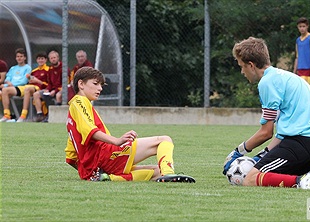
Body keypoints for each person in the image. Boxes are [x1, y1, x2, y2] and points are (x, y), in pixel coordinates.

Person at [223, 37, 310, 189]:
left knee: (250, 179)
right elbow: (281, 135)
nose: (242, 71)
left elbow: (266, 132)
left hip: (304, 142)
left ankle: (303, 181)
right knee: (270, 175)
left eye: (242, 66)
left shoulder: (267, 82)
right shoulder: (283, 77)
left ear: (251, 65)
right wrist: (262, 155)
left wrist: (237, 152)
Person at [65, 66, 195, 183]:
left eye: (101, 85)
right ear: (81, 84)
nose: (100, 88)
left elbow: (71, 156)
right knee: (164, 140)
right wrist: (117, 141)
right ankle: (169, 174)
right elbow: (90, 131)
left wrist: (89, 171)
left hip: (98, 167)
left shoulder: (73, 115)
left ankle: (109, 177)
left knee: (157, 171)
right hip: (107, 155)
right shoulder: (79, 102)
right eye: (95, 84)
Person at [16, 52, 50, 122]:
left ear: (46, 60)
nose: (40, 60)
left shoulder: (48, 70)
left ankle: (23, 115)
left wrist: (37, 81)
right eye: (39, 59)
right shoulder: (34, 71)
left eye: (42, 59)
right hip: (31, 88)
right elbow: (30, 82)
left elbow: (49, 84)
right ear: (36, 60)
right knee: (24, 88)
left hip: (41, 88)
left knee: (28, 89)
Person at [0, 48, 32, 122]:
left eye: (21, 56)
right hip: (11, 88)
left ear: (24, 58)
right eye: (18, 56)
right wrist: (7, 84)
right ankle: (7, 115)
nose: (19, 58)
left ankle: (8, 115)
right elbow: (7, 79)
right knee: (4, 90)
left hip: (22, 88)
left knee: (5, 90)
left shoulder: (27, 68)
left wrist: (10, 85)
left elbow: (24, 81)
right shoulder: (13, 68)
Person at [33, 50, 62, 122]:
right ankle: (40, 115)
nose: (53, 59)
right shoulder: (50, 69)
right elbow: (49, 83)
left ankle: (56, 116)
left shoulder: (64, 68)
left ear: (58, 58)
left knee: (58, 95)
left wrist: (55, 91)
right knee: (36, 94)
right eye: (51, 58)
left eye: (54, 57)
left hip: (61, 89)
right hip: (51, 90)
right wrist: (47, 89)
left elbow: (65, 84)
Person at [293, 17, 310, 85]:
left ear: (307, 26)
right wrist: (294, 71)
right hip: (299, 70)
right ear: (297, 27)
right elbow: (297, 57)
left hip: (307, 70)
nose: (302, 28)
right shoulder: (298, 40)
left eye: (303, 26)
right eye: (300, 26)